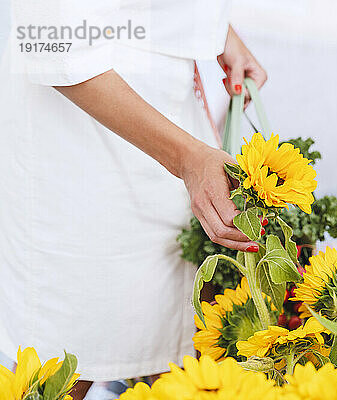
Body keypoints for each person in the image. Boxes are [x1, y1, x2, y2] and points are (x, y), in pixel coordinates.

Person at [0, 1, 266, 398]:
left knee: (171, 352)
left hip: (172, 123)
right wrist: (187, 158)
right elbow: (52, 40)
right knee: (64, 364)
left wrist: (212, 29)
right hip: (80, 135)